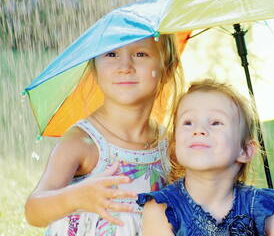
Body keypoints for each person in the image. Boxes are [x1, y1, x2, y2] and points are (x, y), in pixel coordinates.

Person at [25, 35, 183, 235]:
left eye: (140, 54)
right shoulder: (83, 142)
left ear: (168, 68)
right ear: (94, 69)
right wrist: (75, 197)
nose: (124, 66)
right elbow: (33, 211)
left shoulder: (169, 147)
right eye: (111, 54)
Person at [137, 80, 274, 235]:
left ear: (244, 150)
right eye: (188, 122)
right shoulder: (162, 209)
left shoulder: (259, 205)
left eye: (216, 122)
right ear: (174, 145)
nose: (199, 130)